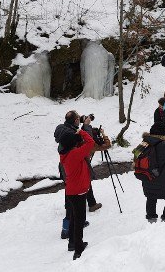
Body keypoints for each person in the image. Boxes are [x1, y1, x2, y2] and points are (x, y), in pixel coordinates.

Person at [54, 111, 102, 243]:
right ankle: (67, 230)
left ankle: (77, 221)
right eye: (78, 118)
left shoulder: (64, 129)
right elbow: (88, 142)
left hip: (67, 166)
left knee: (73, 195)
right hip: (73, 164)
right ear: (75, 120)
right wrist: (85, 127)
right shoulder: (71, 134)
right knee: (73, 200)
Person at [59, 129, 94, 260]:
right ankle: (78, 250)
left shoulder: (66, 154)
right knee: (80, 221)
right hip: (78, 192)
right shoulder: (74, 154)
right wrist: (82, 132)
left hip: (72, 191)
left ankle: (72, 243)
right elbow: (90, 143)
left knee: (74, 217)